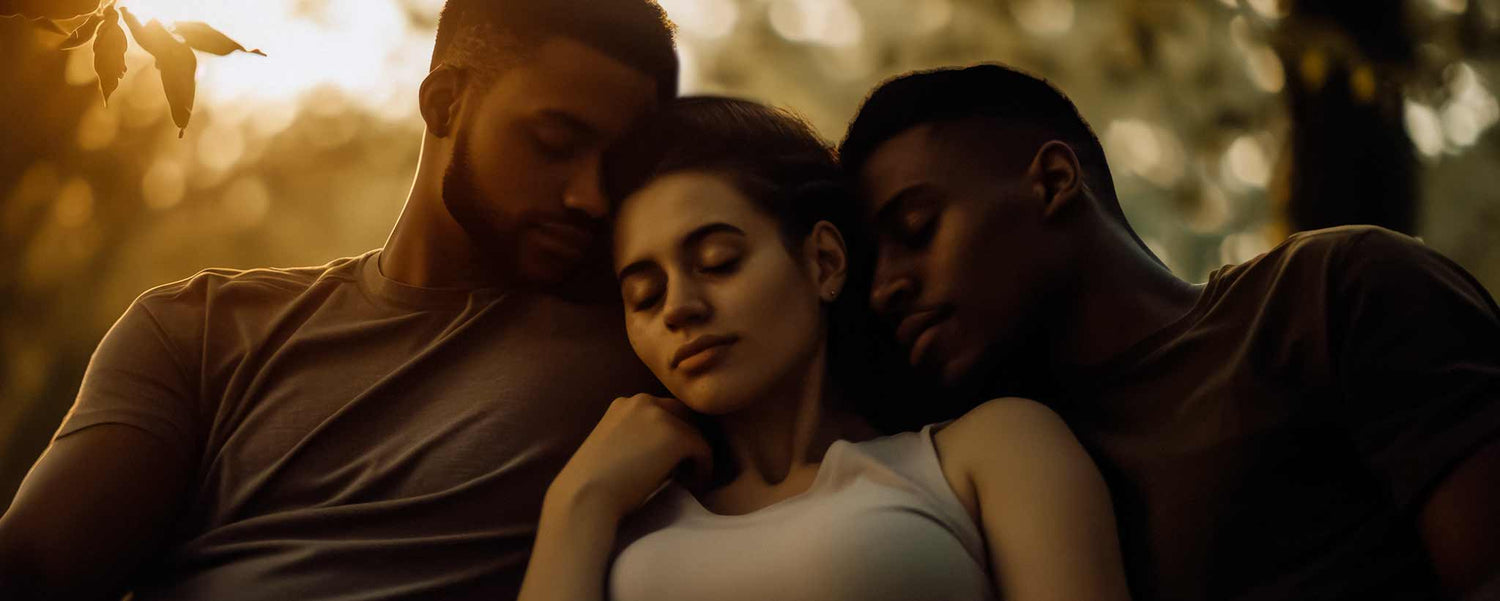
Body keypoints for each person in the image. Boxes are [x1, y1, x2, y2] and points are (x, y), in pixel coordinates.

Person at [0, 1, 676, 598]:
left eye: (620, 166)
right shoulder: (201, 330)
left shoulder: (654, 335)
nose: (592, 196)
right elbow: (34, 570)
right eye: (555, 142)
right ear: (445, 102)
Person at [838, 63, 1500, 601]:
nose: (884, 286)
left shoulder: (1330, 292)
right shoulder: (993, 467)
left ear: (1054, 181)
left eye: (916, 229)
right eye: (870, 264)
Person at [514, 96, 1133, 601]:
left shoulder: (986, 450)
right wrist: (579, 503)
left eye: (718, 262)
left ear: (825, 261)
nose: (679, 307)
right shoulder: (624, 516)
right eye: (645, 295)